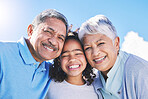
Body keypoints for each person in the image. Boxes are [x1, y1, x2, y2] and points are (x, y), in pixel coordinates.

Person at [0, 9, 68, 99]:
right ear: (31, 31)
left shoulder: (50, 71)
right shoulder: (2, 53)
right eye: (48, 32)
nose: (53, 42)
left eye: (60, 38)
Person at [78, 15, 148, 99]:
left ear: (116, 43)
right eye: (88, 48)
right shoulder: (94, 81)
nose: (95, 53)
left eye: (101, 43)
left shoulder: (141, 72)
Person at [45, 31, 98, 99]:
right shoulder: (49, 85)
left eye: (78, 53)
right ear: (59, 60)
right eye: (65, 55)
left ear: (86, 57)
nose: (72, 59)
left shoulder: (96, 88)